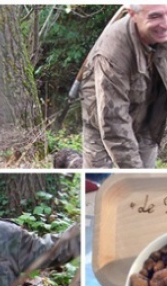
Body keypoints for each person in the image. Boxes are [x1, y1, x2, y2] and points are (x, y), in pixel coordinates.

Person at [80, 4, 167, 168]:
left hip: (147, 122)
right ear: (133, 14)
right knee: (111, 178)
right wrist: (133, 172)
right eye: (155, 17)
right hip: (103, 128)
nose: (165, 23)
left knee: (146, 180)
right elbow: (113, 121)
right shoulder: (112, 52)